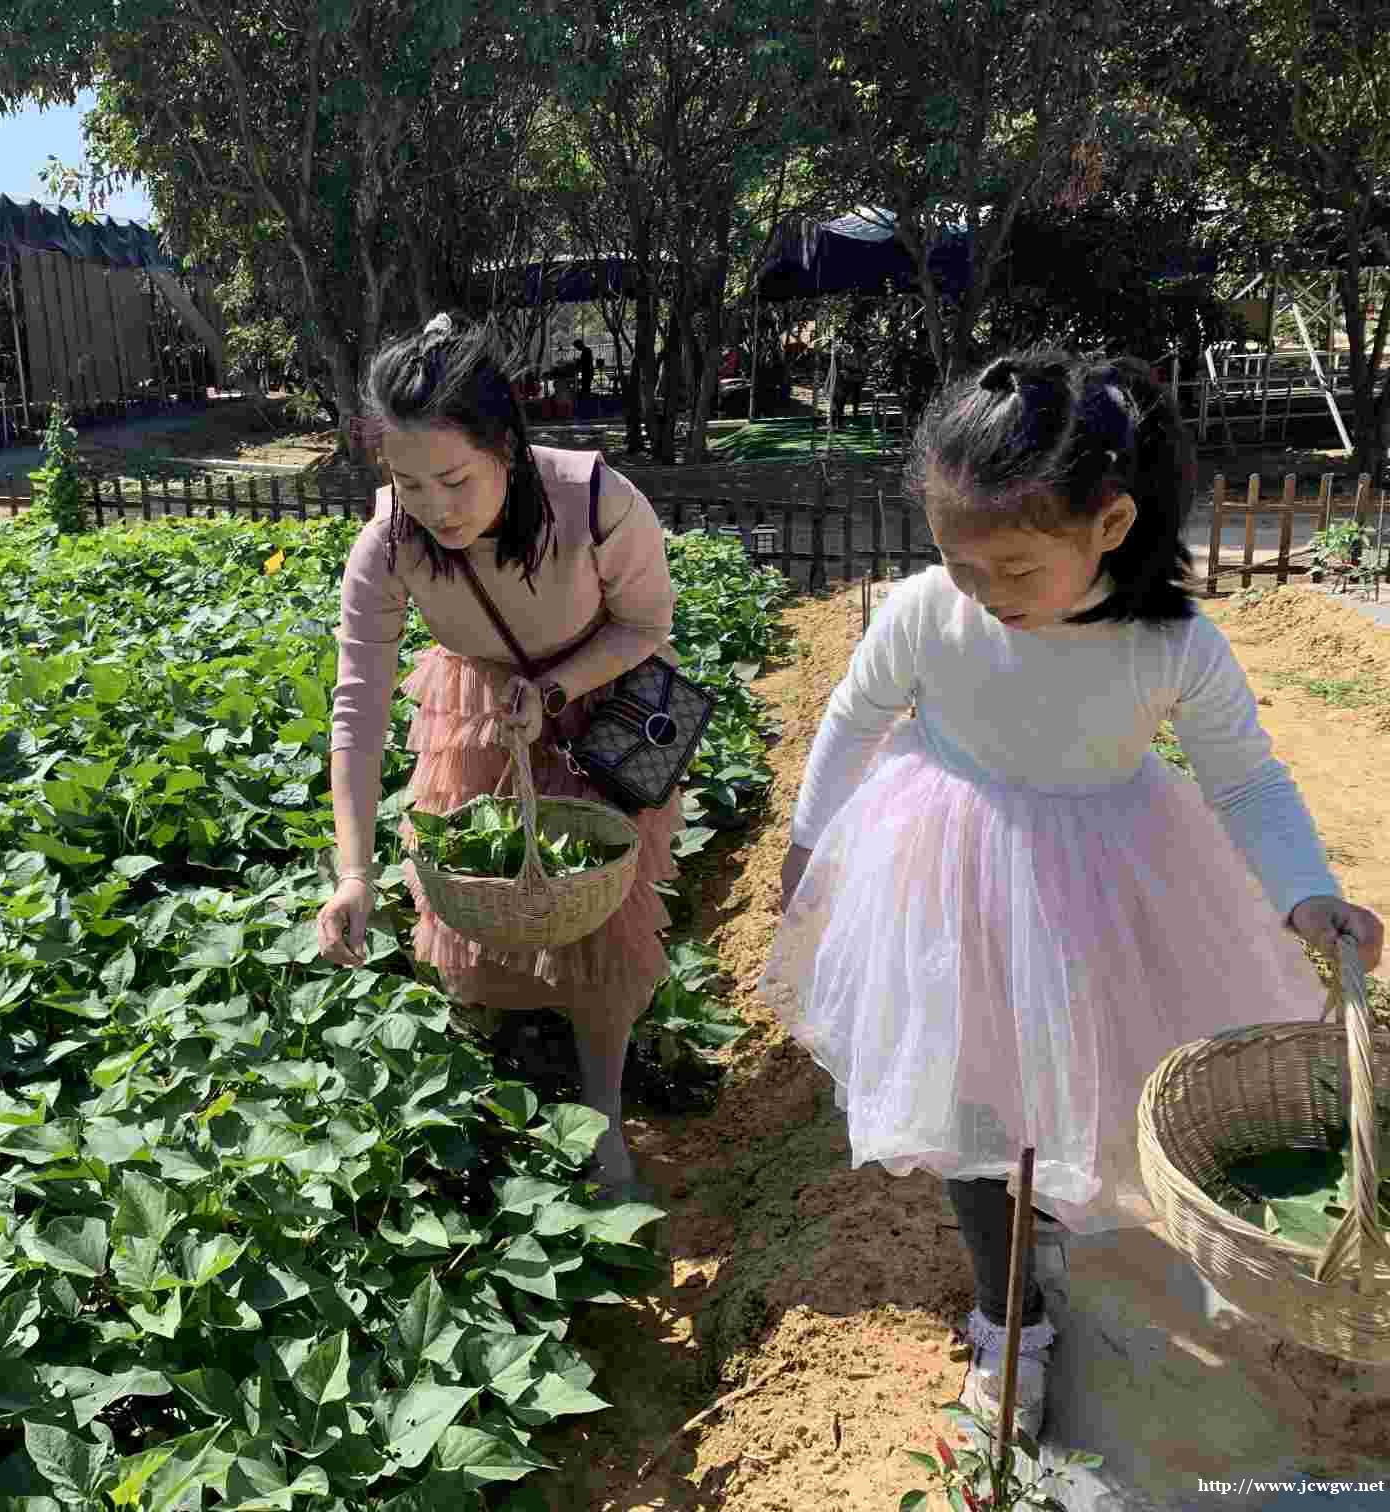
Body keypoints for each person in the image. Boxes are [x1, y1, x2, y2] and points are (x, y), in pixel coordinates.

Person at [758, 350, 1384, 1442]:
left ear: (1108, 524)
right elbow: (853, 721)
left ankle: (1042, 1217)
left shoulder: (1173, 643)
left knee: (1085, 1078)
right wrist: (809, 844)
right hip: (943, 878)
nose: (983, 592)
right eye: (959, 563)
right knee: (970, 1108)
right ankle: (1011, 1320)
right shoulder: (924, 614)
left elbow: (1243, 779)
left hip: (1110, 879)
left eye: (1010, 566)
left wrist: (1306, 895)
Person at [318, 312, 686, 1198]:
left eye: (454, 479)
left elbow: (648, 623)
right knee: (479, 900)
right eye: (409, 483)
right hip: (478, 707)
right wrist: (355, 873)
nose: (436, 509)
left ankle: (603, 1122)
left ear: (507, 449)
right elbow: (359, 707)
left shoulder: (595, 499)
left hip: (610, 696)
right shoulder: (388, 546)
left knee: (600, 906)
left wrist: (556, 687)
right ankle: (504, 1090)